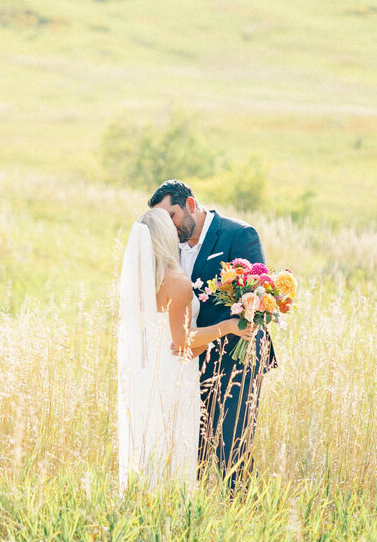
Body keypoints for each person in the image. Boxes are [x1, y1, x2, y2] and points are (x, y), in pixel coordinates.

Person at [147, 179, 277, 491]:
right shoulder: (167, 247)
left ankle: (243, 513)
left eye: (172, 216)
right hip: (190, 361)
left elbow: (259, 298)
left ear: (190, 205)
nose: (169, 226)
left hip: (237, 356)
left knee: (231, 446)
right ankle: (203, 514)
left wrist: (237, 323)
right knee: (196, 447)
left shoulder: (238, 235)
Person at [117, 207, 248, 488]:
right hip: (172, 371)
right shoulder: (177, 283)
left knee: (149, 437)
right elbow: (182, 341)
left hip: (145, 369)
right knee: (175, 442)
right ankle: (173, 506)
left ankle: (144, 499)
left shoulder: (139, 283)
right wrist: (228, 327)